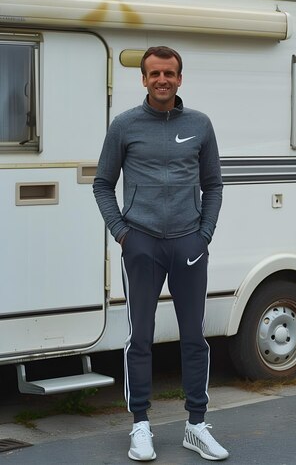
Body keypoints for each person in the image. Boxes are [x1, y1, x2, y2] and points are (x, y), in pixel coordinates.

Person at [93, 46, 228, 462]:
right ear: (144, 79)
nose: (162, 80)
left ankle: (196, 425)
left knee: (194, 336)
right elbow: (102, 183)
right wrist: (122, 233)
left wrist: (203, 234)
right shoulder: (125, 126)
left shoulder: (200, 125)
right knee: (141, 337)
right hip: (142, 244)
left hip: (188, 243)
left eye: (169, 73)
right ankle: (140, 427)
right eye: (154, 74)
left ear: (180, 78)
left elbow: (214, 185)